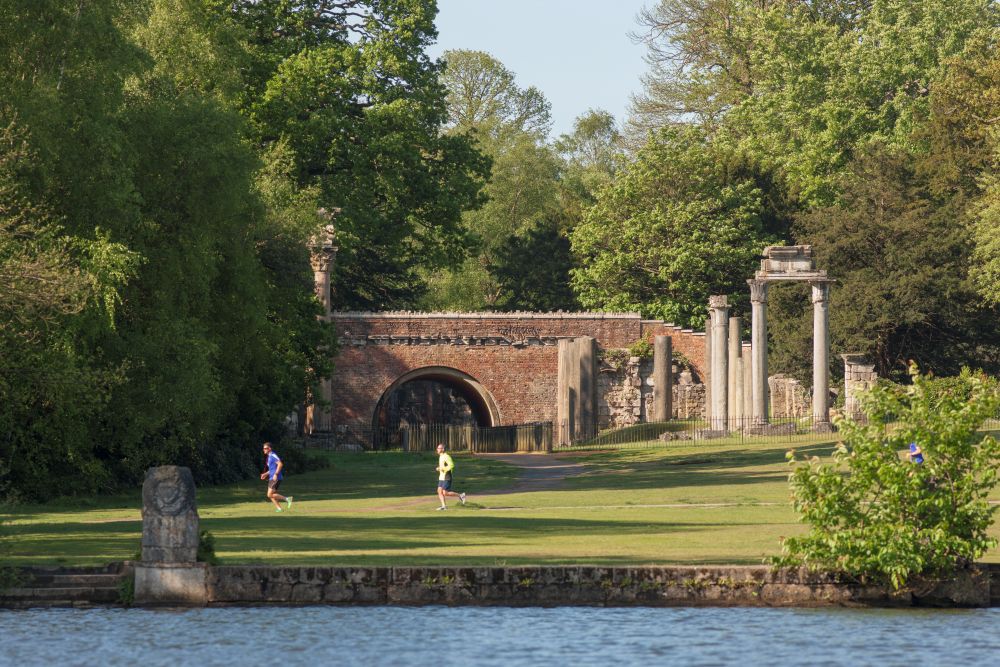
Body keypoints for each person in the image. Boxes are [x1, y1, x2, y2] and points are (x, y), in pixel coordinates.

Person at [260, 442, 293, 512]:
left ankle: (287, 499)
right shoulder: (269, 456)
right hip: (272, 477)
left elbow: (280, 464)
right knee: (272, 494)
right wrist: (265, 474)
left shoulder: (273, 455)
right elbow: (272, 469)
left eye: (265, 448)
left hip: (275, 478)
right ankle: (279, 508)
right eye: (263, 448)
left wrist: (276, 474)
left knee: (269, 494)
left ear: (270, 449)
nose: (264, 450)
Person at [435, 443, 466, 510]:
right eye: (437, 448)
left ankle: (461, 495)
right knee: (439, 491)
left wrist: (442, 468)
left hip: (447, 476)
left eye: (439, 448)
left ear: (443, 449)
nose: (437, 449)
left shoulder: (446, 456)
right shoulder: (441, 456)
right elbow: (443, 466)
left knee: (445, 492)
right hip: (441, 477)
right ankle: (444, 506)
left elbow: (451, 465)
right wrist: (439, 468)